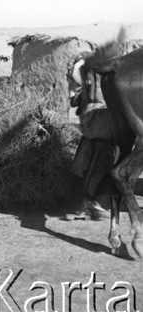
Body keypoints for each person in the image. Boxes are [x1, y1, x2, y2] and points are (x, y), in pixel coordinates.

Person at [68, 58, 113, 220]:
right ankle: (89, 203)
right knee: (100, 163)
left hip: (95, 123)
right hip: (100, 123)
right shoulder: (87, 73)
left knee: (94, 162)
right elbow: (74, 100)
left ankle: (89, 202)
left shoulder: (83, 72)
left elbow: (74, 101)